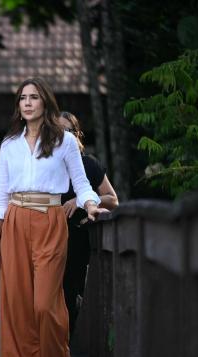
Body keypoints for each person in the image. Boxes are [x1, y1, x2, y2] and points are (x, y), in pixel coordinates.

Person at [0, 77, 108, 357]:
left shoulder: (65, 141)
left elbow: (82, 184)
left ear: (46, 103)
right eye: (22, 98)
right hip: (13, 220)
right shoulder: (9, 143)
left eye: (34, 97)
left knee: (45, 304)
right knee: (18, 305)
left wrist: (92, 203)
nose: (27, 103)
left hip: (51, 220)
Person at [58, 111, 118, 336]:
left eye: (69, 131)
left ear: (77, 135)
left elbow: (112, 199)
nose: (63, 135)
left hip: (77, 239)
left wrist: (82, 199)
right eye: (58, 131)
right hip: (46, 237)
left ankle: (67, 349)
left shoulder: (88, 164)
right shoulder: (45, 165)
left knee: (71, 293)